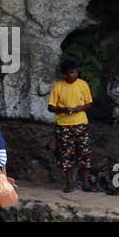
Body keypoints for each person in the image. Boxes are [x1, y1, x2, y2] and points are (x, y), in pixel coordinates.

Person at [48, 59, 93, 192]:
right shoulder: (58, 86)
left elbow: (89, 103)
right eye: (70, 73)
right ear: (64, 75)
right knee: (66, 155)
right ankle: (69, 183)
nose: (73, 75)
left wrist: (81, 108)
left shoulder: (83, 85)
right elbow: (50, 107)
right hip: (63, 126)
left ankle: (86, 184)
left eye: (75, 73)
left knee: (85, 154)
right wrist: (63, 110)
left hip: (81, 124)